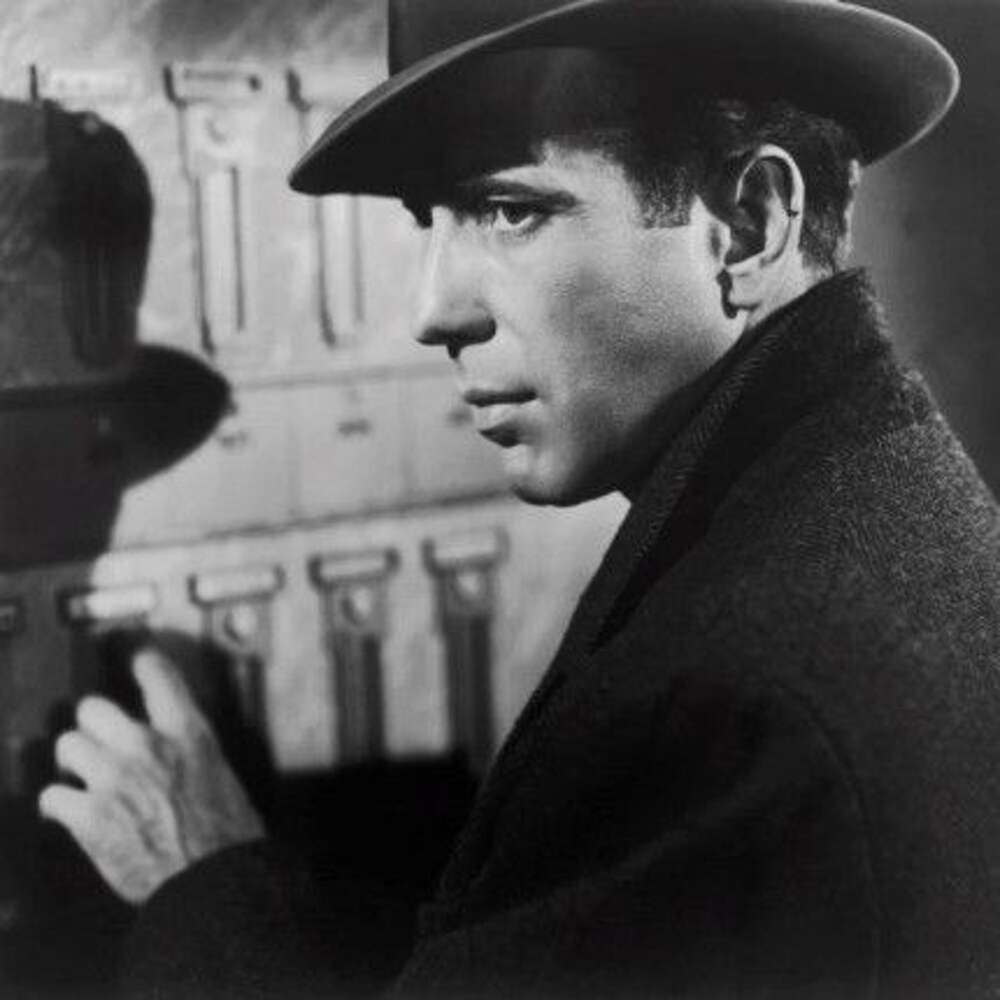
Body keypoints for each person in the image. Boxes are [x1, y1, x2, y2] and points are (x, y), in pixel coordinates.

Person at [37, 0, 1000, 996]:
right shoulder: (880, 496)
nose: (432, 311)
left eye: (511, 210)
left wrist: (201, 889)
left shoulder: (734, 708)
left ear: (748, 225)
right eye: (430, 219)